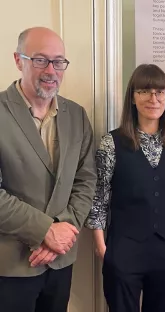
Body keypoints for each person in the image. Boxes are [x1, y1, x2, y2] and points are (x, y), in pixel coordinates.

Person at [0, 27, 97, 312]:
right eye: (40, 60)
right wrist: (44, 231)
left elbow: (86, 179)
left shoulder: (77, 115)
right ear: (19, 60)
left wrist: (61, 232)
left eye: (58, 61)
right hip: (11, 265)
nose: (51, 70)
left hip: (60, 261)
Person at [84, 63, 165, 312]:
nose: (153, 98)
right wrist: (103, 248)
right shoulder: (111, 143)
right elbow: (99, 199)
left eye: (159, 92)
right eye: (144, 91)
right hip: (124, 250)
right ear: (133, 97)